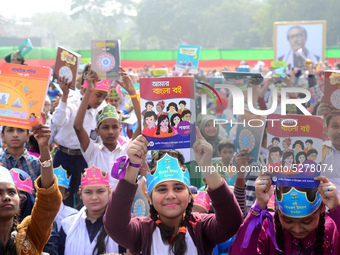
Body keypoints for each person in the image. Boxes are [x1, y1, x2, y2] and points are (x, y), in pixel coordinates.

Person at [103, 128, 243, 254]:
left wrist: (206, 165)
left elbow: (231, 222)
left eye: (178, 188)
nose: (170, 195)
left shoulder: (201, 228)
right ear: (150, 198)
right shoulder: (142, 231)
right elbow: (115, 226)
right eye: (162, 189)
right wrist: (134, 165)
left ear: (189, 195)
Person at [229, 175, 340, 254]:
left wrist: (337, 210)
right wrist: (258, 208)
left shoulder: (333, 229)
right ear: (278, 211)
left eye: (307, 221)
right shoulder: (267, 227)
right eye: (288, 220)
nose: (297, 229)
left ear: (322, 209)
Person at [73, 67, 141, 189]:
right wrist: (88, 91)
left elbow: (142, 126)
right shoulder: (93, 152)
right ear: (97, 132)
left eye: (115, 127)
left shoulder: (127, 150)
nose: (110, 132)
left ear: (120, 130)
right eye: (105, 127)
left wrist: (132, 93)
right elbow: (78, 127)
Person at [0, 124, 62, 254]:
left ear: (20, 200)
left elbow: (47, 199)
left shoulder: (31, 233)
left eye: (12, 192)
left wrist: (44, 147)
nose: (6, 197)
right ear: (2, 135)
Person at [50, 75, 108, 208]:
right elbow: (58, 121)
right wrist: (64, 98)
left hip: (85, 160)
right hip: (63, 158)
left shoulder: (101, 111)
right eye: (98, 95)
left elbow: (99, 141)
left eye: (104, 97)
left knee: (83, 199)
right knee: (59, 198)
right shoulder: (70, 104)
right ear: (84, 90)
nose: (100, 100)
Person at [59, 166, 120, 255]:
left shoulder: (119, 226)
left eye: (100, 191)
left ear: (109, 192)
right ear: (80, 194)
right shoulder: (67, 225)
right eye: (88, 192)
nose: (94, 197)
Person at [54, 166, 78, 232]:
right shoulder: (38, 213)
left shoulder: (74, 215)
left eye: (58, 192)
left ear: (66, 195)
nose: (53, 195)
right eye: (51, 190)